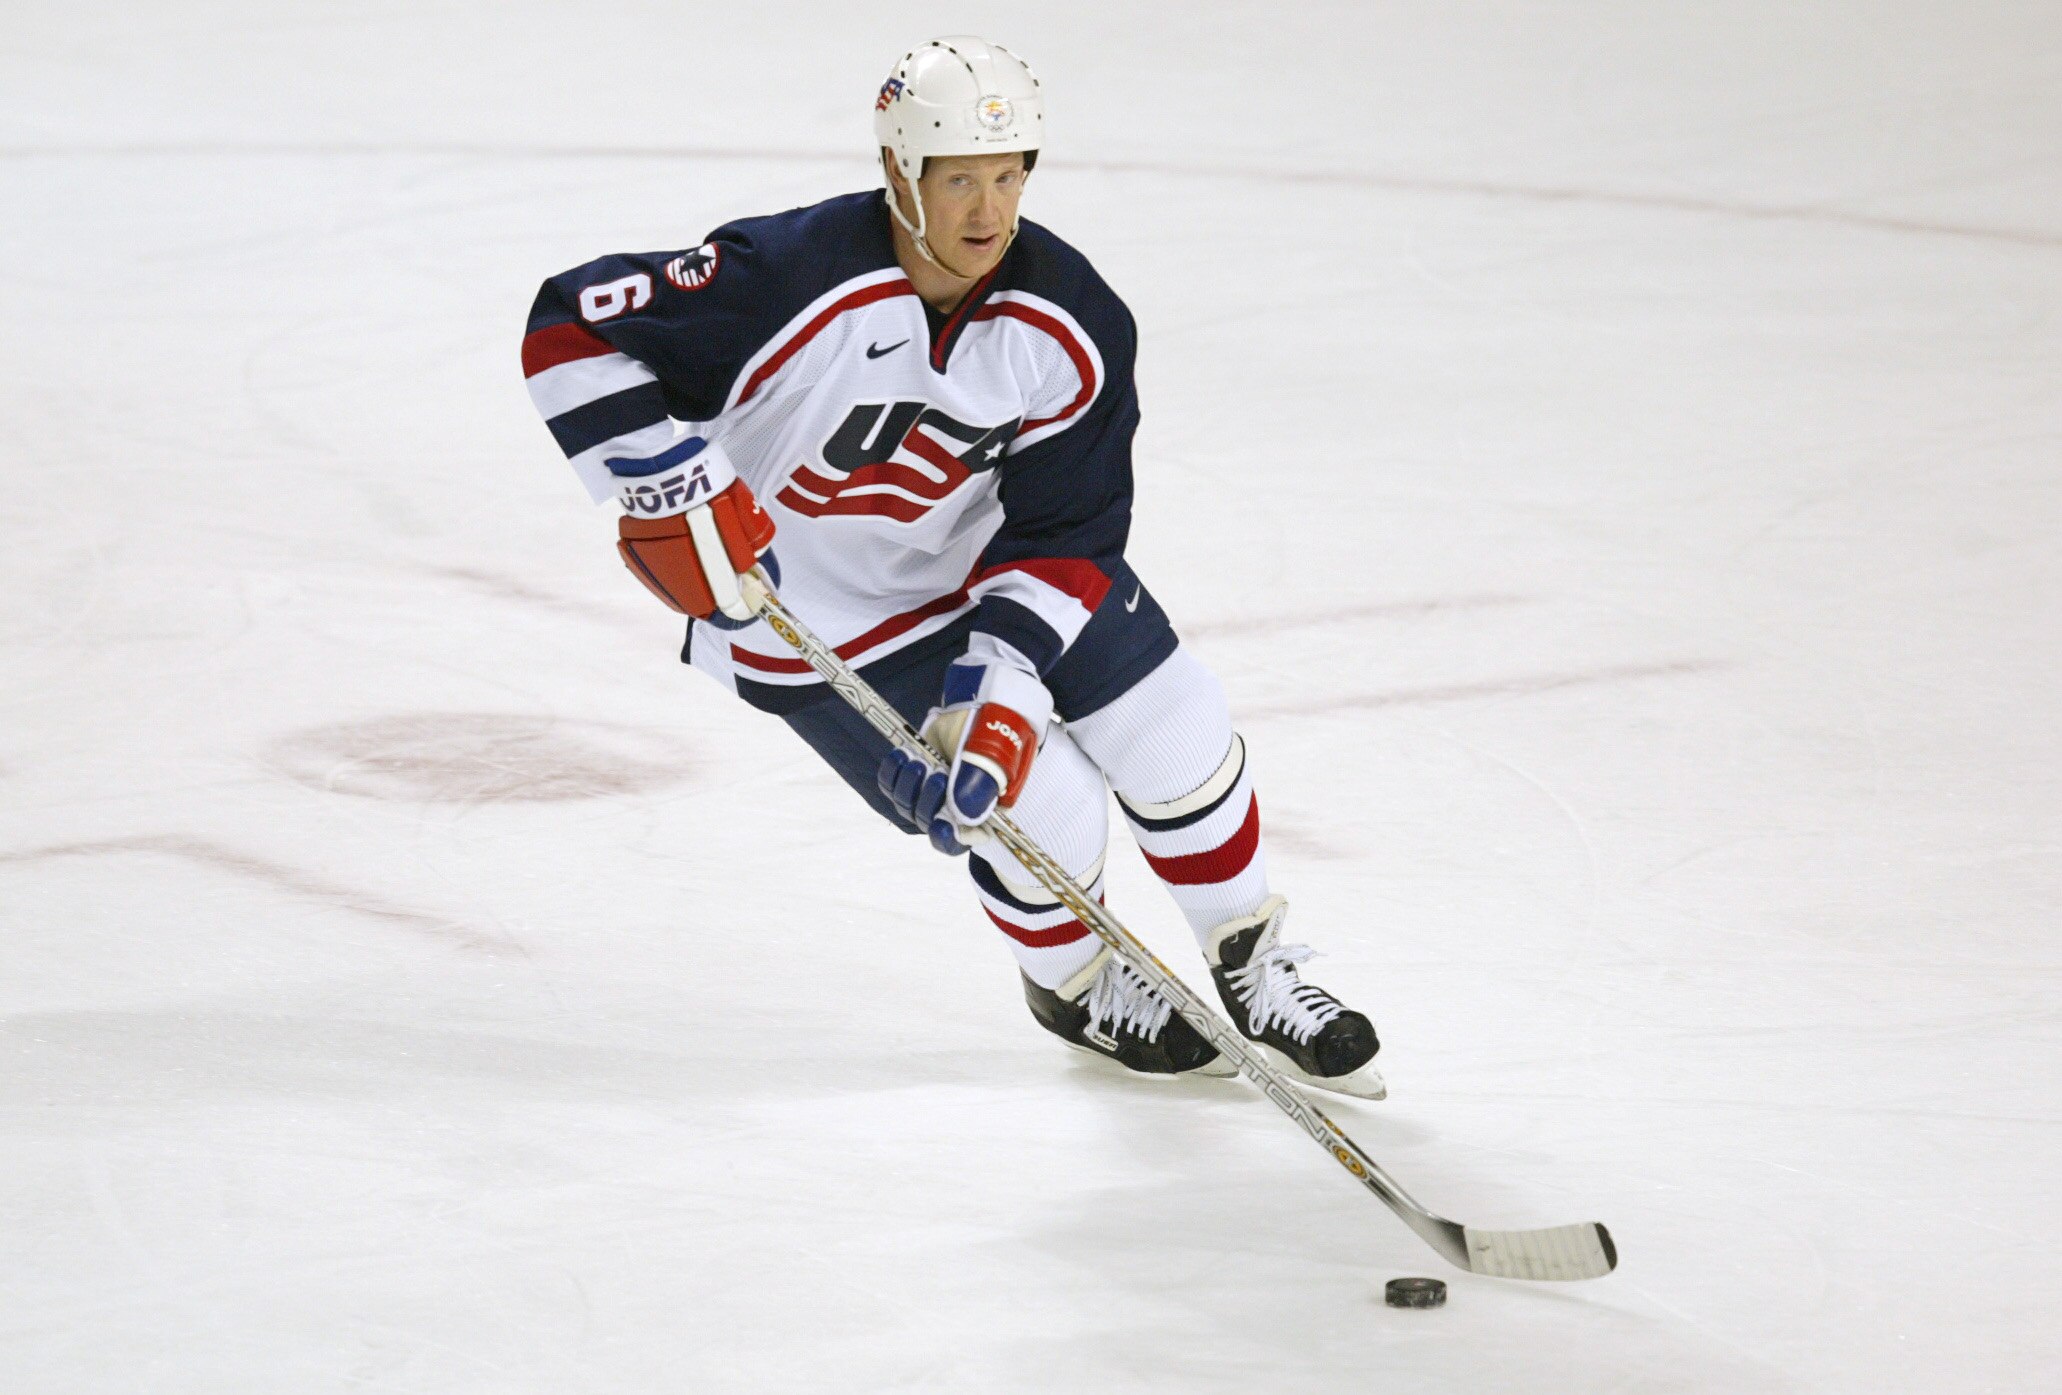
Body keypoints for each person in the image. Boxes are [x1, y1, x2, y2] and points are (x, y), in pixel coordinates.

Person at [520, 36, 1383, 1097]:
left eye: (1010, 174)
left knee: (1173, 726)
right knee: (1035, 805)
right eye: (961, 178)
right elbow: (568, 324)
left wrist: (1005, 679)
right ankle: (1074, 982)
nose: (989, 209)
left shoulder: (1072, 316)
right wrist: (665, 481)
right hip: (817, 613)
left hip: (991, 567)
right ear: (899, 172)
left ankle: (1250, 957)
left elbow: (1067, 532)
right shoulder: (780, 276)